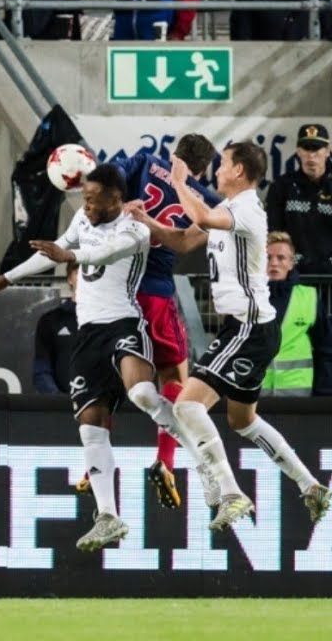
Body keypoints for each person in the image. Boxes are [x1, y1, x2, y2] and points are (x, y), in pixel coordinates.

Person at [0, 164, 201, 551]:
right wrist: (7, 278)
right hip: (88, 334)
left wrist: (70, 253)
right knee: (91, 427)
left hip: (124, 324)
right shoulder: (83, 217)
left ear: (116, 199)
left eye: (94, 199)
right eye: (85, 198)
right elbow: (54, 250)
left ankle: (202, 456)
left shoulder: (135, 228)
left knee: (142, 393)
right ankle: (108, 516)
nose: (87, 205)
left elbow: (105, 252)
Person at [127, 142, 330, 531]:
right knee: (242, 421)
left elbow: (201, 214)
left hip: (247, 329)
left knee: (187, 407)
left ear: (238, 171)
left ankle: (231, 493)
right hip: (249, 329)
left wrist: (179, 181)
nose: (217, 170)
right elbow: (183, 241)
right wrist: (147, 221)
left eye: (223, 164)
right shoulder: (228, 210)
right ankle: (312, 486)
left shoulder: (246, 208)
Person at [108, 133, 219, 509]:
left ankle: (94, 463)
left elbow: (105, 181)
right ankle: (166, 461)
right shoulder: (206, 201)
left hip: (114, 290)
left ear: (174, 154)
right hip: (153, 292)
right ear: (203, 169)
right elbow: (184, 243)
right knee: (174, 377)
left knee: (116, 378)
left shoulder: (142, 161)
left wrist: (123, 208)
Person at [262, 232, 331, 397]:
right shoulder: (247, 298)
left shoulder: (309, 297)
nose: (274, 263)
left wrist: (324, 392)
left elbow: (326, 349)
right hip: (254, 394)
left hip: (297, 394)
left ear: (291, 263)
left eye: (281, 258)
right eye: (268, 258)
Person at [265, 123, 331, 275]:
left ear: (327, 151)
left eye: (316, 149)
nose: (311, 155)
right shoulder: (282, 186)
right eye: (306, 148)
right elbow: (273, 232)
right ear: (298, 151)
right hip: (293, 274)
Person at [33, 263, 79, 394]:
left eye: (89, 273)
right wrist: (57, 399)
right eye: (79, 273)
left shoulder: (109, 320)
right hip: (63, 403)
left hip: (103, 403)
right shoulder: (51, 320)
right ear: (69, 278)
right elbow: (41, 368)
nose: (85, 278)